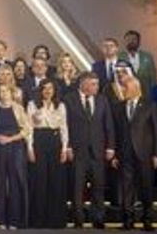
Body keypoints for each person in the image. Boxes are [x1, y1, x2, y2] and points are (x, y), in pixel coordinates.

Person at [66, 72, 115, 229]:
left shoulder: (102, 100)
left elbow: (108, 125)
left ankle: (98, 218)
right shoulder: (69, 99)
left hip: (97, 151)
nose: (97, 87)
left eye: (97, 84)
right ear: (83, 84)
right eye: (93, 84)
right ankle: (78, 219)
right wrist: (67, 147)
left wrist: (110, 147)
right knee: (77, 188)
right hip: (77, 151)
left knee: (98, 187)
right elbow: (65, 126)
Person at [115, 76, 157, 231]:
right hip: (125, 154)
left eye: (126, 87)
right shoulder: (119, 107)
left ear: (135, 88)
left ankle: (147, 220)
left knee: (146, 188)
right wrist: (115, 154)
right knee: (126, 188)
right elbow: (117, 133)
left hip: (145, 154)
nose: (123, 90)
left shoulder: (150, 106)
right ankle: (128, 221)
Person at [27, 79, 69, 228]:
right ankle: (38, 220)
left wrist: (64, 148)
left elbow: (64, 128)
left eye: (50, 88)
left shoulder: (61, 105)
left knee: (55, 181)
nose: (47, 91)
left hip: (55, 143)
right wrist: (30, 148)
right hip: (39, 142)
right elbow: (29, 128)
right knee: (39, 180)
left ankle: (55, 220)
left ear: (54, 90)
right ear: (40, 90)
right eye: (44, 88)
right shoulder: (32, 105)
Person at [0, 84, 31, 230]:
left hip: (15, 148)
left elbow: (27, 129)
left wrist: (11, 138)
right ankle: (1, 220)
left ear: (11, 92)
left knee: (15, 184)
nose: (3, 94)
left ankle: (14, 220)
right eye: (0, 91)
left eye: (6, 91)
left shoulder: (18, 108)